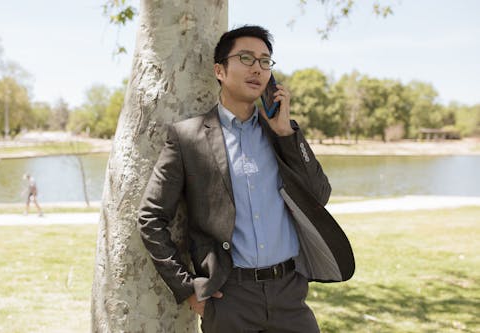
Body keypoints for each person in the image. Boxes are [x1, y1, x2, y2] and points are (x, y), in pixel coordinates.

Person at [138, 25, 354, 332]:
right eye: (246, 58)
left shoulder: (282, 132)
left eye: (266, 61)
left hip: (290, 295)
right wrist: (187, 288)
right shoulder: (187, 139)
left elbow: (319, 195)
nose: (258, 68)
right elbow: (151, 217)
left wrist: (285, 133)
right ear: (220, 71)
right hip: (229, 300)